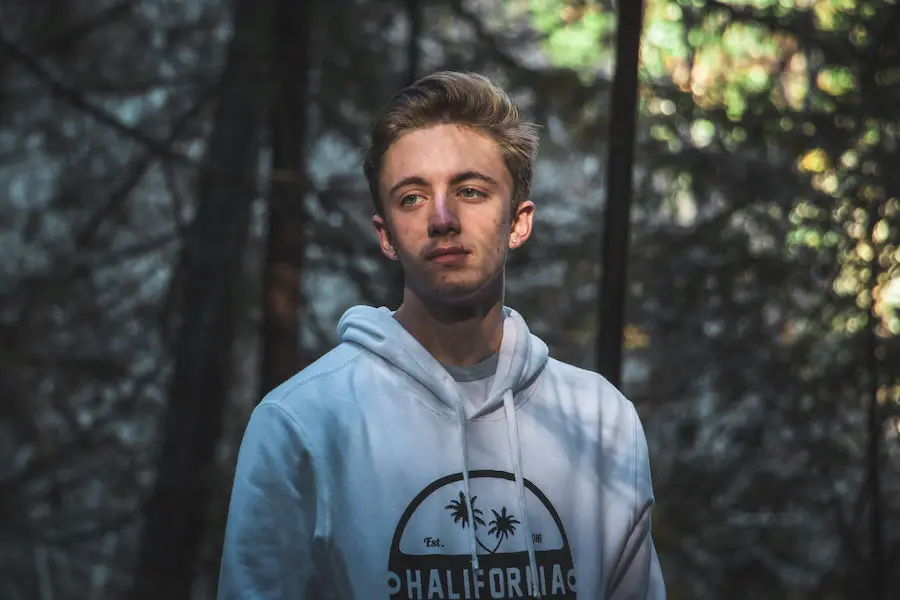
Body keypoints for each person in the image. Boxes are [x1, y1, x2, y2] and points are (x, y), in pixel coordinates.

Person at [217, 71, 665, 600]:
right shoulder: (304, 423)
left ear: (518, 222)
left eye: (470, 191)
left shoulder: (602, 421)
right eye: (411, 197)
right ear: (386, 235)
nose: (442, 218)